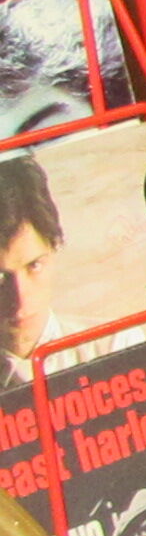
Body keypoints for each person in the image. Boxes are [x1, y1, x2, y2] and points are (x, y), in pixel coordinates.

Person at [0, 153, 61, 387]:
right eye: (0, 278)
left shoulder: (116, 345)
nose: (20, 301)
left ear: (54, 247)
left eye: (34, 265)